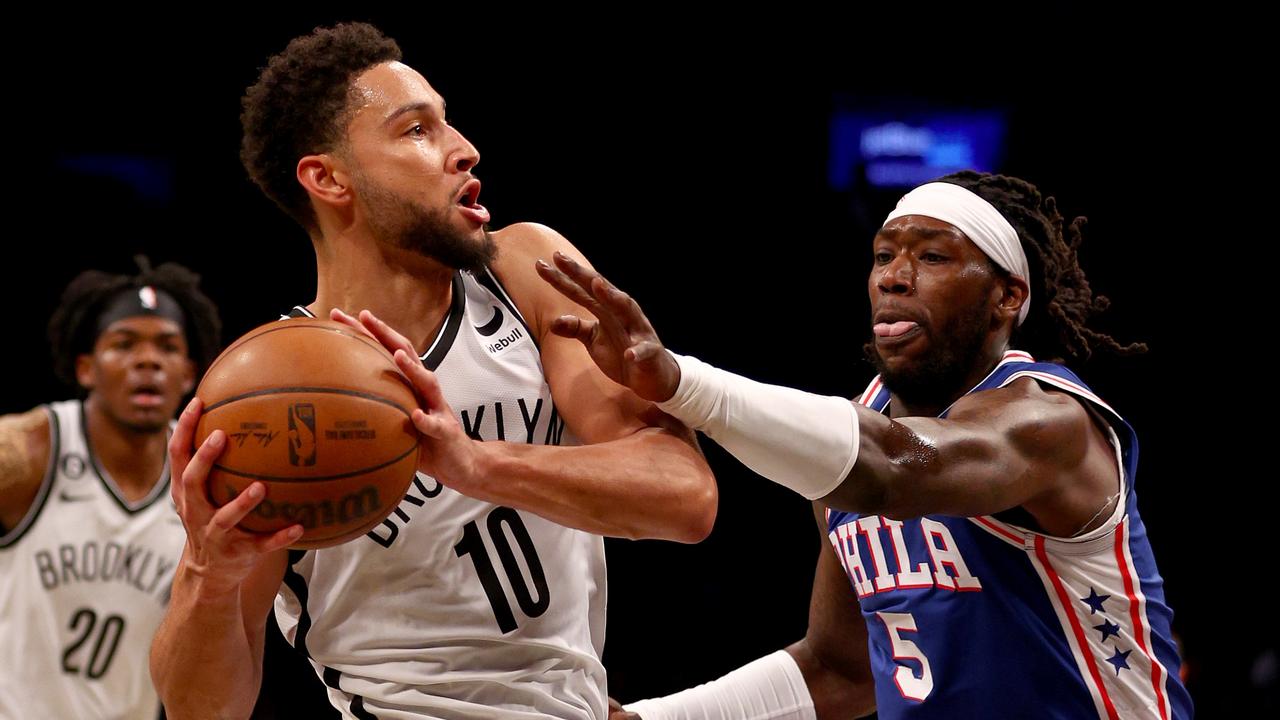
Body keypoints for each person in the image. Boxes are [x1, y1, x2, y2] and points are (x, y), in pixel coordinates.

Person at [149, 22, 717, 720]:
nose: (463, 149)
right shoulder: (265, 397)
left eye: (446, 123)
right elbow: (202, 710)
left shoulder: (525, 272)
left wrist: (475, 465)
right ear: (327, 178)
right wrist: (211, 575)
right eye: (417, 130)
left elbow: (687, 498)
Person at [540, 171, 1193, 719]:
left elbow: (908, 465)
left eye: (932, 257)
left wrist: (683, 385)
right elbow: (840, 670)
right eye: (884, 256)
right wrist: (649, 717)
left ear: (1005, 298)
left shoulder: (1050, 421)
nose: (894, 277)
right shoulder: (851, 440)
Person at [0, 258, 221, 719]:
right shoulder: (31, 450)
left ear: (187, 374)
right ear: (86, 369)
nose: (147, 359)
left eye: (167, 347)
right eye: (123, 344)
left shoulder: (209, 475)